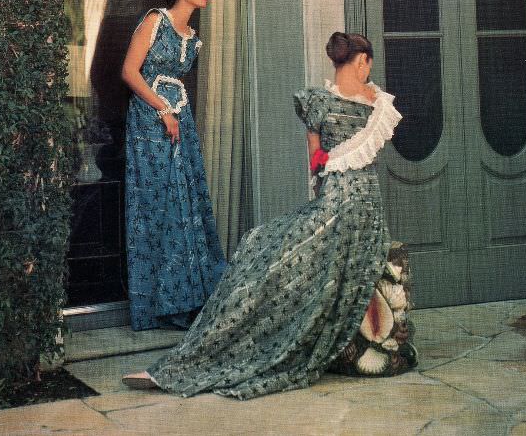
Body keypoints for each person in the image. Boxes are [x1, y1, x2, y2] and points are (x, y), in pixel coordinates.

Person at [123, 31, 417, 398]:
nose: (368, 70)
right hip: (340, 206)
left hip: (353, 212)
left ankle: (204, 354)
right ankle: (201, 353)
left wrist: (326, 177)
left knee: (272, 260)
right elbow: (318, 164)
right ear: (362, 61)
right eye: (367, 63)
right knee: (258, 245)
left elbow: (317, 163)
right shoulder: (327, 100)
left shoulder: (368, 102)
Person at [122, 0, 226, 331]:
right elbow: (130, 72)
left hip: (180, 121)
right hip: (150, 121)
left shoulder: (194, 38)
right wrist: (163, 109)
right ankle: (155, 306)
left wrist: (175, 113)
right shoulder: (155, 20)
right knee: (156, 203)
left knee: (186, 202)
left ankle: (187, 302)